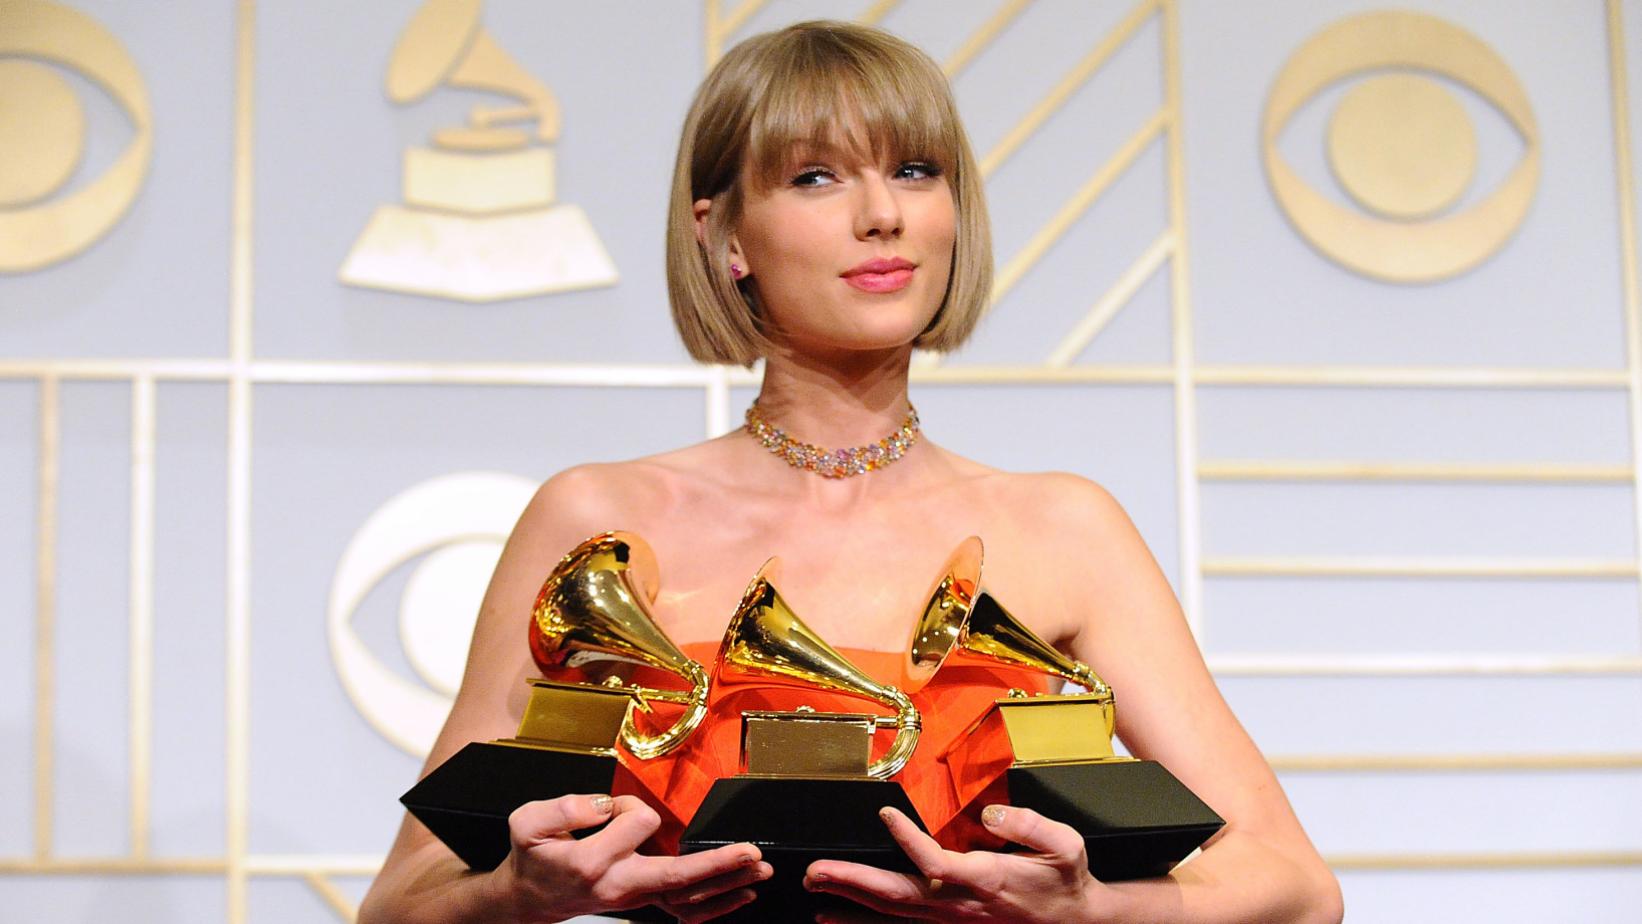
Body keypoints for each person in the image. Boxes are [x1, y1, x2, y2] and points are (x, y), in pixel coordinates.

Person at [360, 19, 1343, 924]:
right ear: (723, 235)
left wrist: (1090, 910)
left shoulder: (1063, 528)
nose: (882, 215)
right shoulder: (598, 520)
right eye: (816, 178)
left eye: (915, 171)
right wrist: (520, 895)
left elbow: (1294, 886)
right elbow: (402, 900)